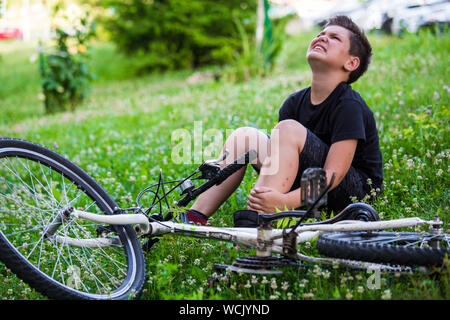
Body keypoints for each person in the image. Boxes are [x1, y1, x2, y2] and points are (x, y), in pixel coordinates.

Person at [179, 15, 383, 226]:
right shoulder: (293, 103)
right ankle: (195, 216)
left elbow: (334, 174)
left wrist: (285, 201)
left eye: (334, 37)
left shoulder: (349, 105)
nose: (322, 37)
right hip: (306, 190)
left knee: (287, 129)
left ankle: (258, 223)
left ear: (351, 62)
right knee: (245, 137)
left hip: (352, 197)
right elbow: (281, 161)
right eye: (320, 34)